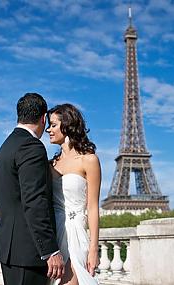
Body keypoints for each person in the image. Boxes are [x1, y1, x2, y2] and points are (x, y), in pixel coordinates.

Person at [0, 93, 65, 285]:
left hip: (9, 249)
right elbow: (35, 201)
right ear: (43, 118)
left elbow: (0, 201)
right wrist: (49, 250)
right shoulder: (31, 146)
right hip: (28, 253)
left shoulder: (6, 147)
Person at [46, 103, 101, 285]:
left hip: (77, 236)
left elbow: (92, 208)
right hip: (54, 237)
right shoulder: (49, 165)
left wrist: (94, 248)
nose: (48, 129)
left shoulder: (89, 160)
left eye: (53, 125)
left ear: (67, 125)